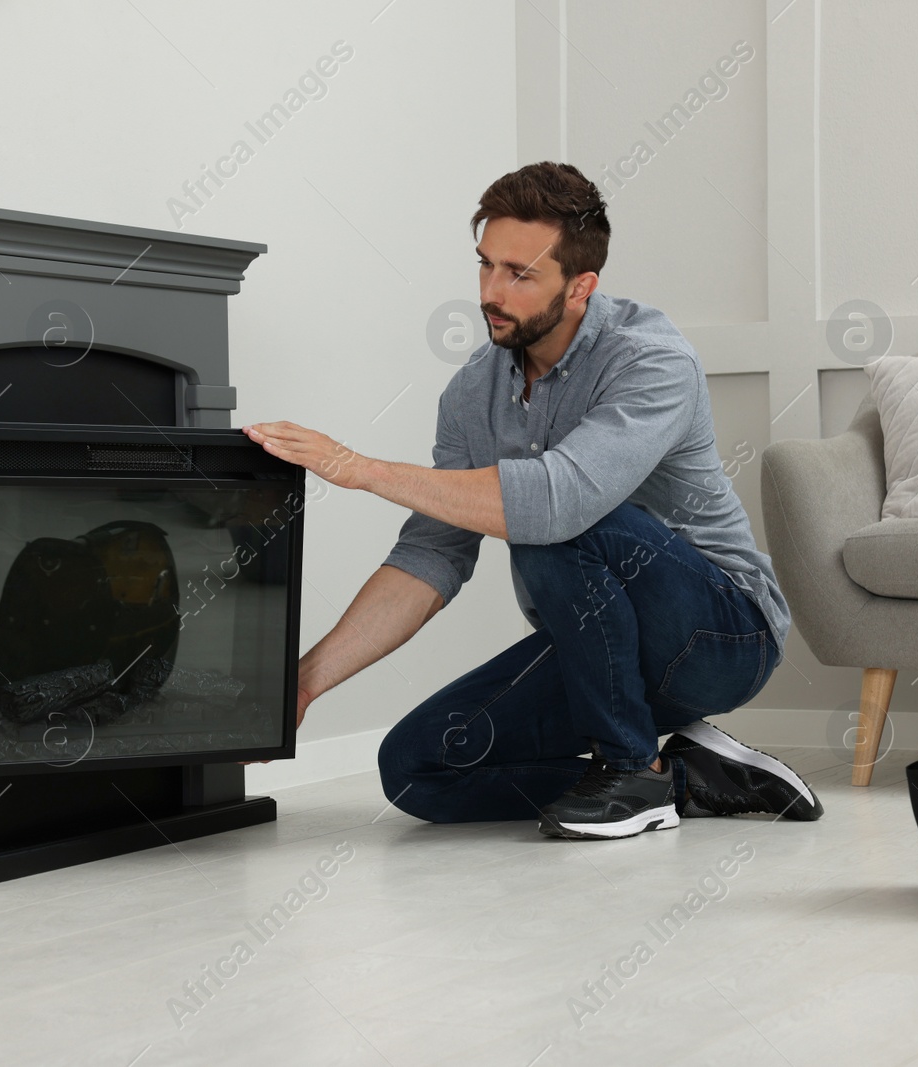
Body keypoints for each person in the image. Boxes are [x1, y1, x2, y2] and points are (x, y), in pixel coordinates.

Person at [241, 161, 822, 841]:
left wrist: (356, 467)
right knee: (418, 765)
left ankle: (632, 770)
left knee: (554, 516)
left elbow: (559, 503)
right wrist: (303, 681)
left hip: (721, 635)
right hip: (600, 650)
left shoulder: (653, 360)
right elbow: (431, 554)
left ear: (581, 287)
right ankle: (683, 776)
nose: (491, 292)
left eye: (518, 274)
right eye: (485, 266)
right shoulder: (470, 395)